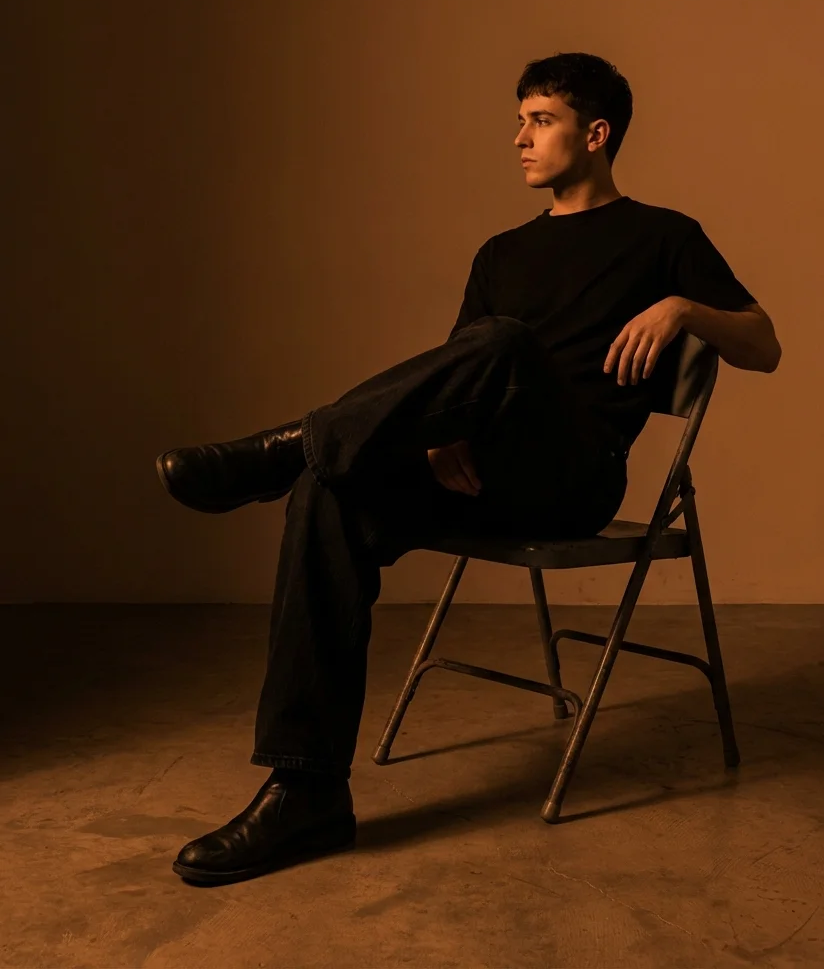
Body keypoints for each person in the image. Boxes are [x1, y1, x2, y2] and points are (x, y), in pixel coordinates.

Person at [155, 52, 782, 886]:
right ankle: (306, 792)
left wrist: (684, 307)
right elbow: (444, 379)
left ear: (595, 135)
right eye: (520, 118)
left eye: (541, 120)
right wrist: (430, 441)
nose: (519, 137)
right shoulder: (500, 254)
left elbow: (765, 345)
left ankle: (286, 445)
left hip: (574, 479)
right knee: (328, 495)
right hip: (482, 477)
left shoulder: (663, 237)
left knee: (504, 340)